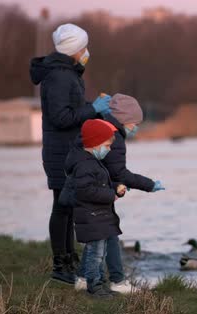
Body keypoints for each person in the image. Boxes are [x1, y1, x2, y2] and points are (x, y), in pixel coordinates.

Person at [30, 23, 112, 284]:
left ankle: (70, 260)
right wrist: (92, 109)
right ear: (75, 49)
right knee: (61, 207)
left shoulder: (68, 73)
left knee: (69, 207)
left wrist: (97, 109)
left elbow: (74, 109)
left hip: (69, 149)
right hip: (60, 151)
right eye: (84, 46)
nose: (87, 51)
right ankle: (61, 266)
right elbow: (61, 117)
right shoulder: (59, 76)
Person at [75, 94, 164, 293]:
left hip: (97, 190)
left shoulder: (101, 127)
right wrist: (149, 185)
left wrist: (116, 184)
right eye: (135, 123)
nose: (137, 127)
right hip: (98, 193)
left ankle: (83, 278)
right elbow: (118, 172)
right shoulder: (113, 137)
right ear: (124, 120)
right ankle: (117, 281)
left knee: (98, 236)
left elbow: (107, 169)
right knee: (109, 233)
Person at [65, 119, 126, 298]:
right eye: (107, 145)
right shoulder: (84, 165)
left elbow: (99, 184)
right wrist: (110, 195)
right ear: (94, 143)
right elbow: (86, 191)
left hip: (99, 216)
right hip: (91, 217)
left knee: (101, 252)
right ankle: (94, 286)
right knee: (95, 254)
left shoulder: (93, 162)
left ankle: (99, 283)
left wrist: (116, 188)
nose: (108, 149)